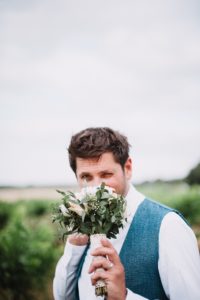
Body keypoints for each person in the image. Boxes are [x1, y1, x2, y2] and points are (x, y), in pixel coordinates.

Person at [53, 127, 200, 300]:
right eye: (86, 177)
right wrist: (74, 247)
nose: (96, 188)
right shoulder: (83, 225)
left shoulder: (168, 227)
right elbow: (63, 296)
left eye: (106, 174)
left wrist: (124, 297)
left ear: (127, 168)